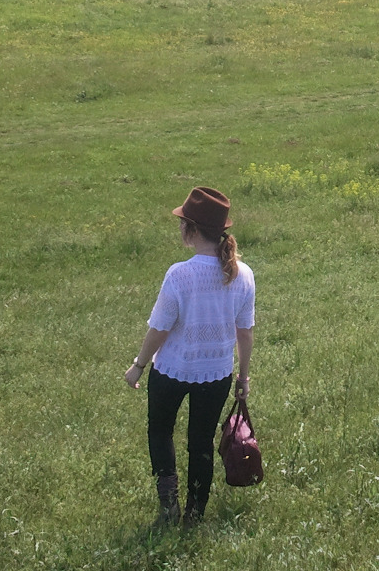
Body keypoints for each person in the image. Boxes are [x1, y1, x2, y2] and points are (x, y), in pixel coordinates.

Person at [124, 186, 255, 527]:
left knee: (160, 432)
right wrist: (243, 377)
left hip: (171, 370)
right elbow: (245, 331)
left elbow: (159, 329)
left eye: (182, 222)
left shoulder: (179, 275)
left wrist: (138, 366)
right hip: (217, 375)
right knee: (201, 443)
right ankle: (195, 514)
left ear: (192, 230)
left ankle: (168, 505)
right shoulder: (243, 274)